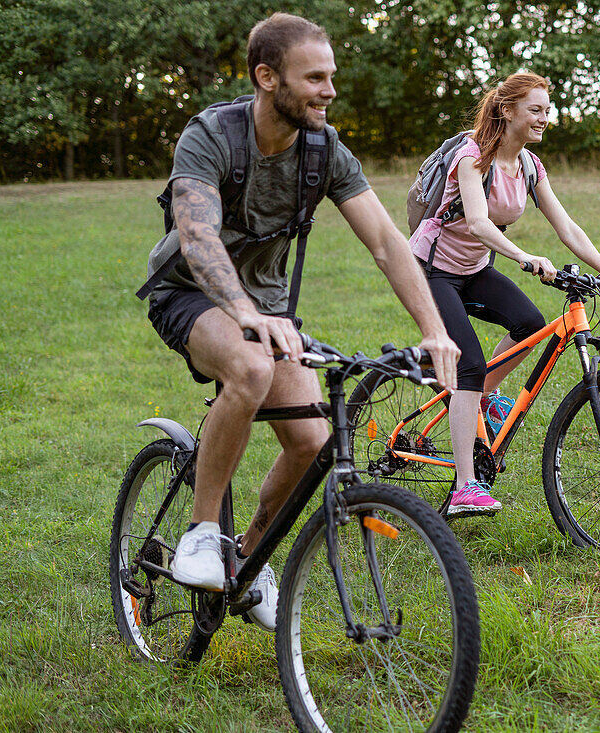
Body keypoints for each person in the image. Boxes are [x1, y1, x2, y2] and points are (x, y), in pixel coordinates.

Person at [143, 12, 459, 631]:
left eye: (332, 76)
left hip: (267, 308)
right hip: (189, 292)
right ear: (267, 77)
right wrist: (244, 313)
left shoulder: (324, 150)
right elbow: (197, 234)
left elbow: (388, 244)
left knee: (313, 443)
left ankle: (248, 555)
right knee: (250, 366)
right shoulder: (211, 135)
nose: (329, 90)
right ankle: (203, 532)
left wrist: (434, 328)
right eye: (314, 77)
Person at [408, 72, 600, 515]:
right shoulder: (473, 158)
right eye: (535, 110)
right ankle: (464, 488)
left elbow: (566, 226)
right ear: (506, 110)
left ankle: (477, 400)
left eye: (547, 111)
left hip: (472, 269)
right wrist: (524, 257)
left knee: (529, 325)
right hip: (430, 270)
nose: (544, 119)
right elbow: (476, 222)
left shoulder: (530, 166)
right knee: (470, 365)